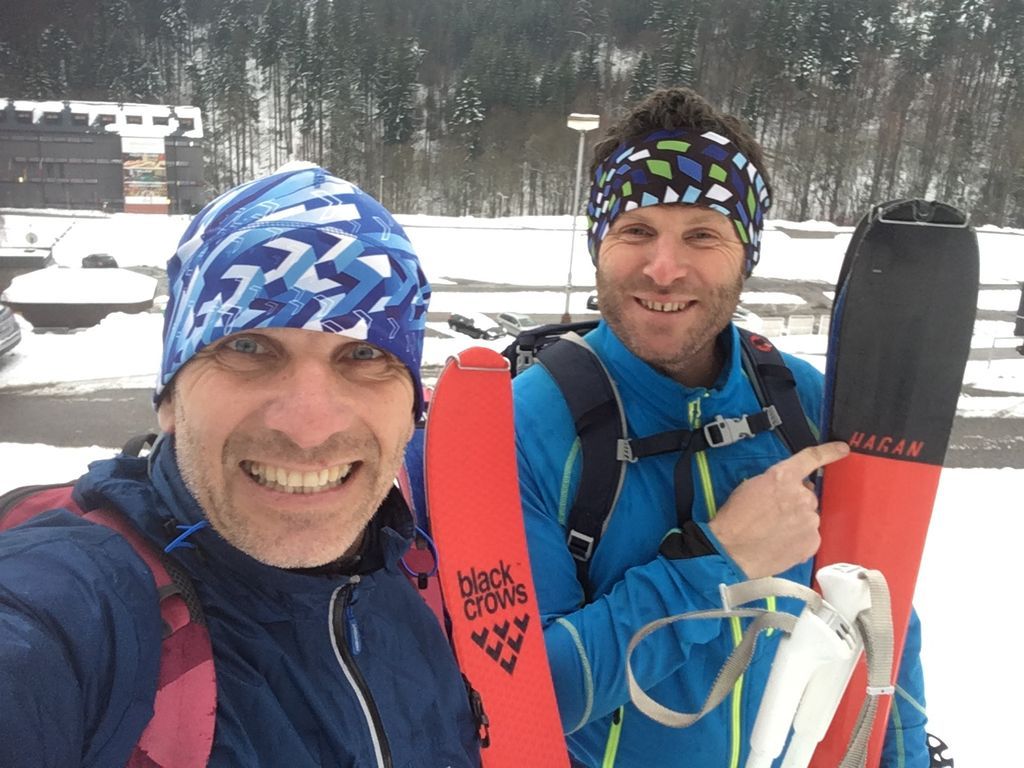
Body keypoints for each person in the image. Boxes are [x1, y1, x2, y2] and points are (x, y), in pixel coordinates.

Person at [0, 163, 481, 767]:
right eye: (248, 347)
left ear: (411, 407)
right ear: (171, 397)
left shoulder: (415, 573)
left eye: (364, 354)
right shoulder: (72, 611)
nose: (309, 426)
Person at [512, 88, 929, 766]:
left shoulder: (805, 404)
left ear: (746, 253)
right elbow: (527, 692)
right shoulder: (529, 422)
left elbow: (883, 616)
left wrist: (904, 759)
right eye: (636, 231)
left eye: (702, 234)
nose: (663, 268)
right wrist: (717, 563)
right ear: (598, 243)